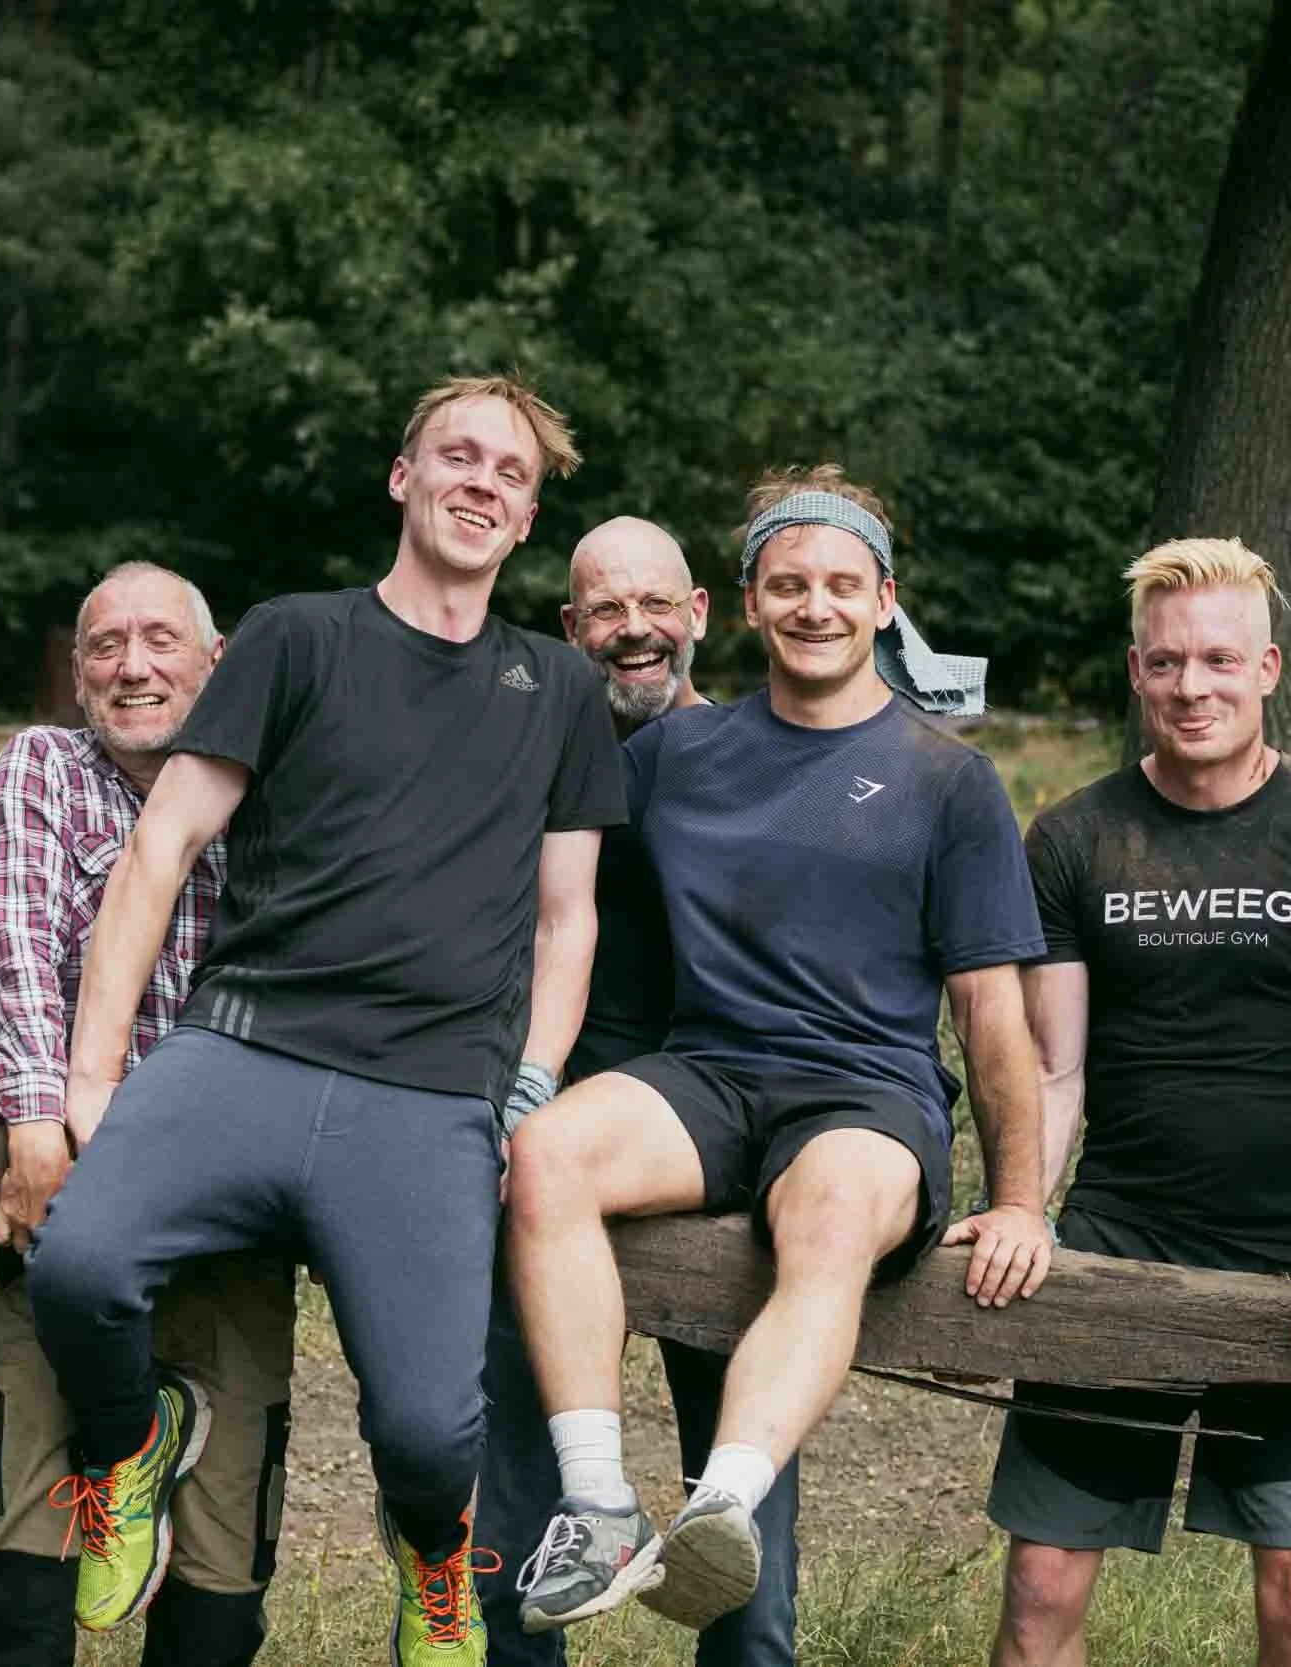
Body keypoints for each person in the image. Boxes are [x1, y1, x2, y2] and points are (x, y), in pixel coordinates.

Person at [23, 375, 624, 1666]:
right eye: (456, 456)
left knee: (428, 1431)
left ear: (526, 518)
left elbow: (566, 915)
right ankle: (131, 1445)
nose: (481, 482)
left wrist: (530, 1080)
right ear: (402, 479)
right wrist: (91, 1067)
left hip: (429, 1093)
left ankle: (436, 1553)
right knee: (76, 1268)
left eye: (510, 473)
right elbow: (163, 844)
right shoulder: (298, 636)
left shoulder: (558, 686)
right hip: (244, 1046)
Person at [504, 465, 1056, 1638]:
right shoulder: (672, 760)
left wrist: (1021, 1200)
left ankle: (722, 1507)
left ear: (883, 599)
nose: (816, 606)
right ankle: (599, 1504)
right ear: (746, 603)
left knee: (830, 1215)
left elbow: (992, 1017)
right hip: (706, 1072)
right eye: (789, 583)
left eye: (841, 585)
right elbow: (558, 899)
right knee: (546, 1152)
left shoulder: (946, 780)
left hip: (865, 1093)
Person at [984, 538, 1291, 1667]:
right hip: (1119, 1243)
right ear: (1136, 674)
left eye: (1219, 660)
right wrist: (1024, 1205)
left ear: (1268, 667)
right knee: (1037, 1592)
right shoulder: (1073, 836)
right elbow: (1052, 1068)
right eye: (1167, 663)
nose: (1193, 687)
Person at [0, 560, 298, 1667]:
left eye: (160, 641)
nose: (133, 666)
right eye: (105, 646)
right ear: (79, 671)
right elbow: (13, 955)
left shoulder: (281, 789)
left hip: (235, 1225)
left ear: (216, 661)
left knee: (225, 1544)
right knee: (29, 1511)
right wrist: (36, 1126)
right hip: (73, 1200)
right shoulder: (44, 767)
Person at [474, 516, 801, 1667]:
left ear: (700, 613)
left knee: (738, 1502)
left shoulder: (768, 758)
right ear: (571, 628)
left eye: (653, 604)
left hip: (725, 1148)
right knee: (519, 1485)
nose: (632, 630)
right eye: (605, 610)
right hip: (540, 1146)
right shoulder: (528, 754)